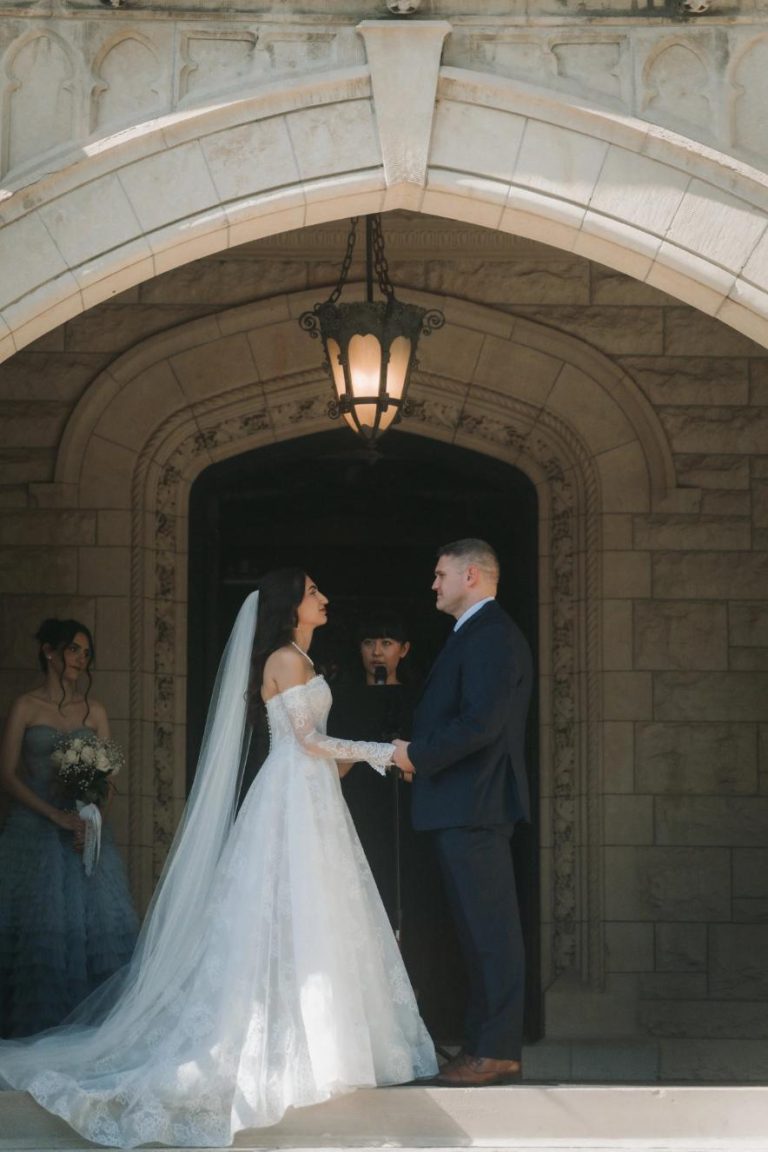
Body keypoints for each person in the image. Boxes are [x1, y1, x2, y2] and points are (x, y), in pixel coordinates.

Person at [0, 571, 436, 1148]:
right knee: (278, 912)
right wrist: (384, 753)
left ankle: (326, 1041)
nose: (324, 598)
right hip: (289, 794)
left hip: (314, 797)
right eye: (311, 592)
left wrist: (356, 761)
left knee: (319, 912)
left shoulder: (304, 658)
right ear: (290, 606)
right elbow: (305, 742)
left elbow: (320, 749)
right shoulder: (284, 658)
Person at [392, 539, 532, 1087]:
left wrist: (418, 755)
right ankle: (485, 1045)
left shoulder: (492, 634)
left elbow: (482, 723)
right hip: (461, 801)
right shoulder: (473, 632)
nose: (433, 583)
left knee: (490, 930)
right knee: (476, 931)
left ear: (470, 575)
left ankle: (495, 1049)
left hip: (476, 804)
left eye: (439, 573)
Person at [0, 619, 138, 1039]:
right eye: (75, 649)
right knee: (37, 933)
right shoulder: (26, 706)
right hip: (34, 832)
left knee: (94, 931)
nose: (81, 658)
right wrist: (53, 815)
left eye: (86, 652)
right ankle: (32, 1031)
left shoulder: (93, 711)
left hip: (83, 833)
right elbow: (7, 775)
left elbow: (107, 777)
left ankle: (89, 1034)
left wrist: (91, 822)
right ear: (49, 651)